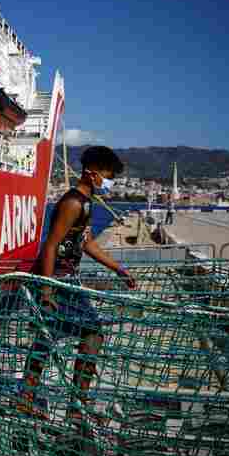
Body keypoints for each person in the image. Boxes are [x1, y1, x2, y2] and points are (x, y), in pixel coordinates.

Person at [20, 146, 137, 423]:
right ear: (91, 173)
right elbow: (50, 246)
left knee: (48, 338)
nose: (109, 183)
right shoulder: (73, 202)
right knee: (91, 334)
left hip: (66, 278)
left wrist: (118, 269)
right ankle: (76, 408)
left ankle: (33, 398)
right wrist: (47, 290)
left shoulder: (87, 202)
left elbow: (87, 244)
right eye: (107, 177)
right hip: (58, 279)